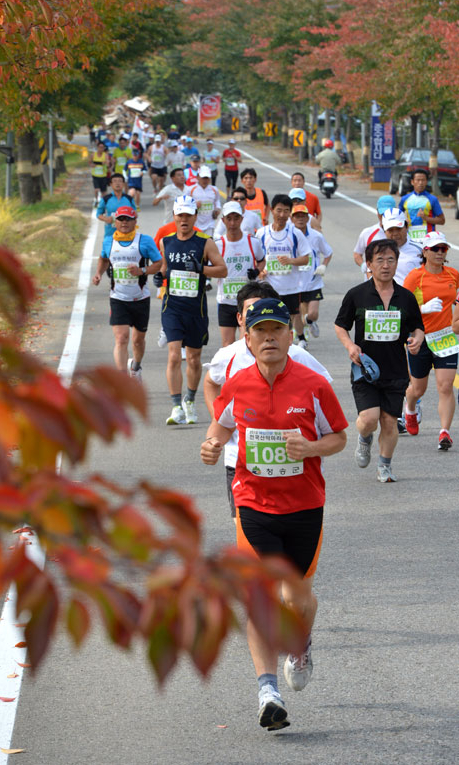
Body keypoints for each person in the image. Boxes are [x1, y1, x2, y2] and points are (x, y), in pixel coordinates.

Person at [201, 297, 347, 730]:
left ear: (290, 335)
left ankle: (299, 644)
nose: (268, 337)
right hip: (252, 503)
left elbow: (338, 436)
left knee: (298, 596)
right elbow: (223, 424)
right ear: (247, 338)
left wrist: (312, 447)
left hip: (304, 506)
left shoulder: (313, 384)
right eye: (260, 331)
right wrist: (211, 444)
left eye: (277, 330)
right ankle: (268, 691)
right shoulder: (238, 382)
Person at [204, 282, 334, 524]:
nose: (260, 317)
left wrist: (309, 440)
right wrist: (221, 422)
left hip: (298, 471)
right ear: (241, 319)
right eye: (252, 312)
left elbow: (322, 393)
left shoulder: (299, 357)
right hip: (240, 460)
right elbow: (211, 383)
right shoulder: (228, 355)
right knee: (247, 530)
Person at [334, 239, 424, 482]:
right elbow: (341, 326)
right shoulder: (357, 295)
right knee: (369, 420)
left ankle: (384, 466)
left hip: (396, 370)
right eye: (380, 260)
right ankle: (364, 438)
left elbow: (417, 327)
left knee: (389, 420)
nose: (386, 265)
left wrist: (416, 340)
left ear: (397, 263)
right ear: (369, 264)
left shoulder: (406, 297)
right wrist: (350, 345)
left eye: (391, 260)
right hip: (365, 369)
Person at [159, 195, 227, 425]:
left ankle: (190, 399)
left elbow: (222, 270)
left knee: (195, 359)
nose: (184, 219)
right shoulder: (166, 241)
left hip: (195, 308)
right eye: (180, 215)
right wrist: (160, 277)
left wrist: (202, 269)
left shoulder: (205, 242)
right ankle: (176, 405)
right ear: (175, 216)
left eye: (189, 215)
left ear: (195, 217)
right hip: (172, 307)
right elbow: (164, 267)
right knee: (174, 355)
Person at [403, 232, 459, 450]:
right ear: (424, 252)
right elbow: (402, 308)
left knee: (445, 387)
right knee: (418, 389)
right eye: (435, 249)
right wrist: (422, 309)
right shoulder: (415, 277)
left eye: (443, 249)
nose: (439, 253)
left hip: (446, 338)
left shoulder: (453, 275)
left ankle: (444, 432)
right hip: (420, 337)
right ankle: (410, 409)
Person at [92, 205, 162, 379]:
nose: (124, 222)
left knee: (138, 341)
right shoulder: (109, 241)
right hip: (118, 298)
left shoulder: (144, 241)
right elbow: (103, 258)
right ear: (115, 222)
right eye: (121, 219)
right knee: (121, 338)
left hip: (140, 298)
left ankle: (136, 366)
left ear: (135, 221)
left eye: (128, 219)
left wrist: (142, 271)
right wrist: (98, 273)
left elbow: (159, 263)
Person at [256, 195, 311, 338]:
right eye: (279, 210)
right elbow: (255, 258)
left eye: (286, 211)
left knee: (294, 314)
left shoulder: (295, 233)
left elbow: (306, 259)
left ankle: (301, 338)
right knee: (269, 315)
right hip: (268, 286)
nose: (282, 215)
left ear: (290, 213)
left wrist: (290, 261)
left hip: (290, 285)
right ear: (272, 210)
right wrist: (260, 270)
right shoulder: (262, 233)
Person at [215, 201, 265, 346]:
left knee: (246, 342)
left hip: (247, 301)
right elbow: (211, 269)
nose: (232, 223)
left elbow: (262, 261)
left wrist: (256, 271)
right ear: (223, 220)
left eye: (236, 218)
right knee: (227, 345)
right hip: (226, 300)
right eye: (229, 219)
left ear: (242, 219)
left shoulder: (252, 242)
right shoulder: (218, 244)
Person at [291, 204, 332, 345]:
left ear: (308, 218)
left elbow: (328, 252)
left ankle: (310, 321)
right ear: (292, 219)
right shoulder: (288, 236)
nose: (300, 219)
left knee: (312, 313)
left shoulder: (316, 236)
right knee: (296, 314)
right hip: (295, 282)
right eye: (297, 216)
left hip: (313, 280)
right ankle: (302, 339)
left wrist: (323, 265)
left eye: (303, 216)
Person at [398, 168, 445, 243]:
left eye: (423, 180)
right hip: (409, 238)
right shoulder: (405, 199)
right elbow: (397, 217)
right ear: (412, 182)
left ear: (426, 182)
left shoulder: (432, 199)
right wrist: (403, 221)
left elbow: (442, 221)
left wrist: (425, 218)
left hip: (428, 239)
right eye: (418, 180)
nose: (420, 183)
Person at [353, 195, 395, 275]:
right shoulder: (368, 233)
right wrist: (363, 265)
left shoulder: (402, 234)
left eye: (388, 213)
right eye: (382, 213)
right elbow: (357, 253)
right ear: (377, 212)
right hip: (371, 283)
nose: (384, 217)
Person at [381, 208, 421, 284]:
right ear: (384, 231)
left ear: (406, 227)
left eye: (398, 229)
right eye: (391, 230)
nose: (395, 233)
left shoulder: (420, 249)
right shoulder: (378, 252)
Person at [96, 173, 136, 243]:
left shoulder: (129, 198)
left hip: (127, 234)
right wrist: (106, 219)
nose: (117, 183)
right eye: (114, 181)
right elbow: (98, 214)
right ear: (110, 184)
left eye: (120, 181)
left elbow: (135, 214)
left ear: (123, 184)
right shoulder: (106, 199)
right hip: (110, 232)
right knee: (108, 253)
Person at [188, 165, 221, 237]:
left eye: (207, 178)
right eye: (203, 178)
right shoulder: (190, 189)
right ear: (197, 177)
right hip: (195, 224)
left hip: (210, 224)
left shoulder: (214, 189)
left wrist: (217, 209)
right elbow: (184, 204)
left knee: (208, 244)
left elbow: (217, 201)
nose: (205, 180)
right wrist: (194, 205)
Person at [90, 141, 108, 206]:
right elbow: (90, 162)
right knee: (96, 189)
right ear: (97, 147)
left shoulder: (105, 155)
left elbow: (108, 163)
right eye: (100, 147)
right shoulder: (93, 155)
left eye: (102, 147)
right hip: (95, 175)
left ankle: (104, 202)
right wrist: (92, 165)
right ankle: (96, 200)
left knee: (104, 191)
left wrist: (105, 163)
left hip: (103, 175)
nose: (101, 149)